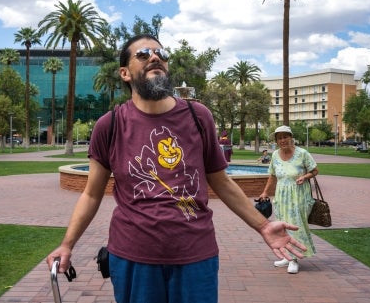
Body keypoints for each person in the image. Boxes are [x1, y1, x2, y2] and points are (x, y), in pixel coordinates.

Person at [46, 34, 307, 303]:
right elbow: (91, 194)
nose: (155, 57)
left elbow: (222, 182)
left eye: (161, 54)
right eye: (144, 54)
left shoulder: (198, 116)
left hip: (196, 255)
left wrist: (263, 226)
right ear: (124, 73)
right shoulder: (109, 125)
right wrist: (67, 244)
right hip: (133, 256)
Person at [258, 125, 319, 275]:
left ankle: (294, 260)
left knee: (295, 226)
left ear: (291, 137)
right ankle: (287, 257)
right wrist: (265, 192)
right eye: (279, 138)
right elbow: (272, 175)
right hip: (281, 197)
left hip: (299, 196)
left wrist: (304, 177)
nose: (283, 140)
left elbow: (315, 170)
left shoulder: (302, 154)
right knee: (281, 227)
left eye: (285, 136)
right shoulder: (275, 155)